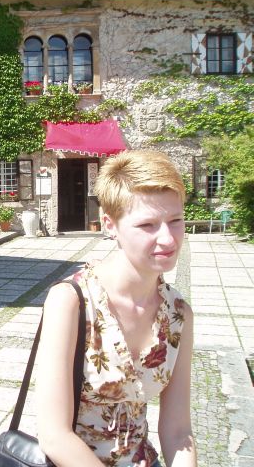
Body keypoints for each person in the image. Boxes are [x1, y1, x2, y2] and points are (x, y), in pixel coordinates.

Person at [36, 150, 196, 467]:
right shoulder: (72, 301)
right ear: (110, 225)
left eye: (175, 221)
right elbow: (54, 435)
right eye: (147, 225)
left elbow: (178, 430)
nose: (168, 239)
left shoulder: (178, 314)